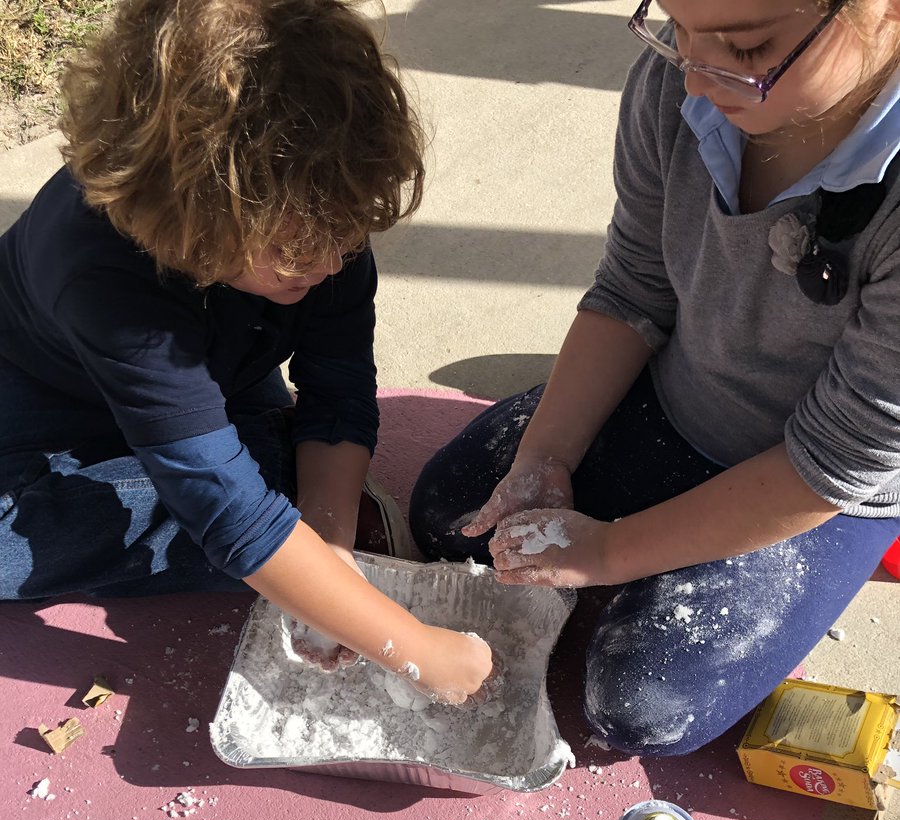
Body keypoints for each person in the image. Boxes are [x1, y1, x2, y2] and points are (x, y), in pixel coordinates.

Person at [410, 0, 900, 752]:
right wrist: (547, 457)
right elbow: (635, 288)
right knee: (446, 513)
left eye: (747, 45)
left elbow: (832, 463)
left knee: (640, 706)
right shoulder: (677, 80)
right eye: (675, 24)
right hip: (681, 393)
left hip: (817, 487)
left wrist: (606, 552)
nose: (694, 78)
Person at [0, 0, 492, 704]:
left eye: (345, 242)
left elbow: (340, 382)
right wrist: (416, 652)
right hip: (40, 393)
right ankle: (263, 486)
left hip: (218, 377)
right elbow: (230, 516)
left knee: (263, 530)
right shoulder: (99, 268)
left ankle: (273, 501)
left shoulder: (320, 198)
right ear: (192, 214)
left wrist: (333, 554)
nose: (327, 263)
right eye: (293, 256)